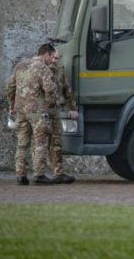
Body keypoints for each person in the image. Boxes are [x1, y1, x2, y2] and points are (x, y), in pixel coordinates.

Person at [4, 43, 58, 185]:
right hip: (36, 111)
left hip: (20, 110)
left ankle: (20, 175)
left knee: (22, 143)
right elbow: (50, 89)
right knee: (39, 142)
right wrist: (50, 104)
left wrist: (12, 105)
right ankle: (39, 175)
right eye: (52, 57)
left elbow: (9, 87)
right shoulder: (43, 68)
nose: (52, 61)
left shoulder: (20, 65)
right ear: (46, 54)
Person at [46, 49, 78, 184]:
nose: (55, 61)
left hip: (55, 111)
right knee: (39, 143)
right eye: (53, 58)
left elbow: (67, 91)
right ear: (48, 57)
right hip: (40, 111)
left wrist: (72, 108)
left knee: (56, 143)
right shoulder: (40, 71)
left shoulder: (60, 72)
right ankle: (37, 173)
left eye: (57, 58)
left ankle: (58, 173)